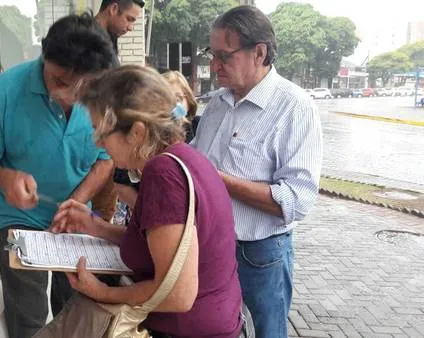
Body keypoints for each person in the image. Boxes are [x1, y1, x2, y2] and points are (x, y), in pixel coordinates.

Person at [51, 65, 246, 338]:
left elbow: (178, 294)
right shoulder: (184, 157)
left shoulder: (163, 174)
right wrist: (94, 226)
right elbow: (157, 243)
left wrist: (102, 292)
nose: (98, 144)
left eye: (100, 132)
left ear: (137, 133)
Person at [0, 13, 115, 338]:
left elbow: (105, 161)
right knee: (28, 319)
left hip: (76, 218)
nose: (71, 95)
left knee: (76, 310)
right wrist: (7, 179)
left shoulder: (105, 97)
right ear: (44, 57)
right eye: (60, 81)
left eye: (84, 86)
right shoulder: (5, 92)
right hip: (20, 218)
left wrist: (75, 204)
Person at [191, 6, 323, 338]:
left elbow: (296, 201)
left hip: (259, 254)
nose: (214, 65)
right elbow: (195, 157)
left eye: (224, 56)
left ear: (259, 53)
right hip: (210, 246)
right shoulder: (217, 103)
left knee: (266, 332)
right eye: (212, 54)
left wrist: (220, 181)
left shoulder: (294, 107)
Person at [91, 0, 145, 223]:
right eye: (129, 19)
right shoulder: (87, 42)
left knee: (102, 216)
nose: (131, 27)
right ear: (113, 9)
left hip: (104, 141)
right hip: (89, 142)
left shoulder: (106, 39)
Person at [116, 70, 198, 208]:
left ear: (188, 101)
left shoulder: (198, 128)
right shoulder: (143, 135)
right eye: (165, 99)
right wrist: (146, 210)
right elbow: (121, 181)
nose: (172, 106)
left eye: (178, 99)